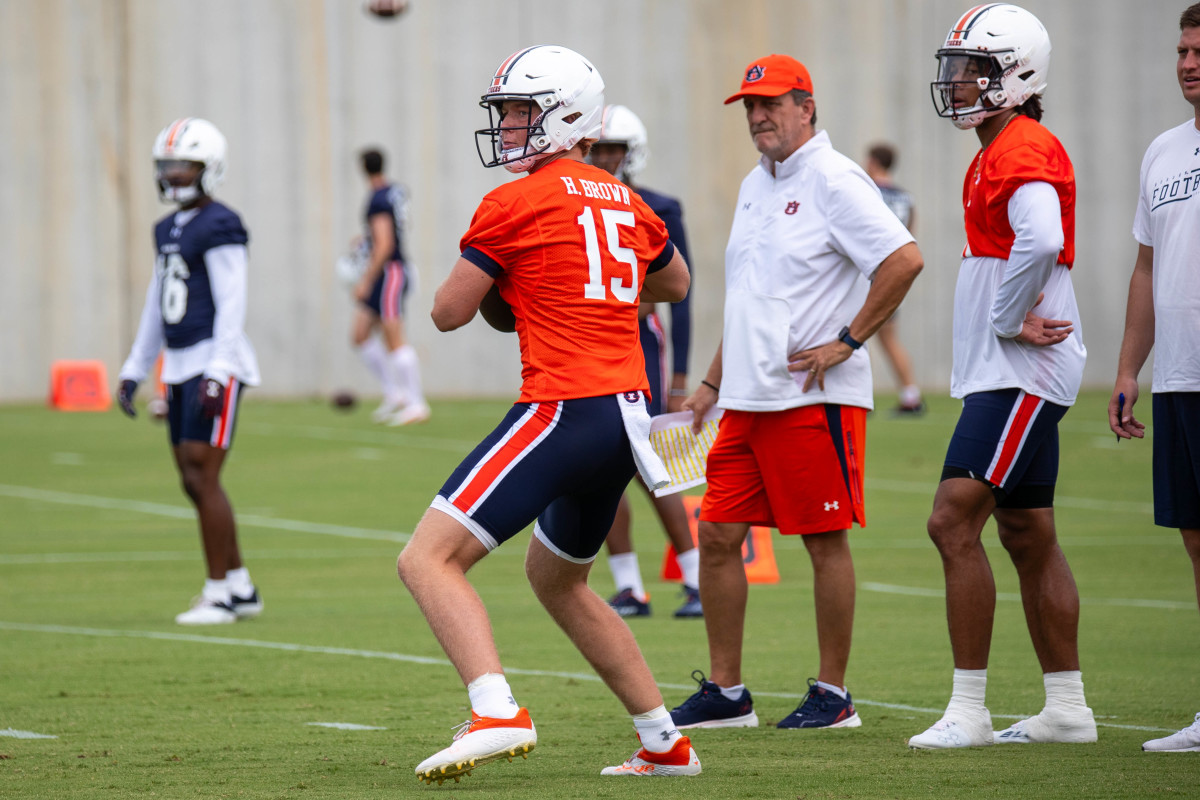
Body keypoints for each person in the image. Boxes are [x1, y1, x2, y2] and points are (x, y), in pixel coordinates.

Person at [395, 45, 701, 782]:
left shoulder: (514, 202)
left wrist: (514, 278)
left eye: (519, 112)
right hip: (628, 417)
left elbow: (446, 313)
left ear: (564, 116)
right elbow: (676, 284)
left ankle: (496, 709)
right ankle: (665, 741)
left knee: (427, 560)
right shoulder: (627, 199)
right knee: (559, 580)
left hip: (564, 407)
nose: (506, 127)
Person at [669, 55, 923, 731]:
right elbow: (753, 300)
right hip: (747, 400)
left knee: (822, 541)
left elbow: (904, 260)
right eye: (750, 107)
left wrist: (849, 339)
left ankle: (834, 696)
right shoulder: (757, 183)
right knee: (717, 534)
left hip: (815, 399)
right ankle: (726, 694)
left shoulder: (837, 179)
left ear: (807, 107)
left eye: (771, 104)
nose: (757, 117)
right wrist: (711, 384)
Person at [908, 4, 1097, 749]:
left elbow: (1043, 236)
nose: (956, 83)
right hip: (1008, 368)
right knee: (1025, 531)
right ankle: (1068, 708)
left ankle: (969, 710)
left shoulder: (1021, 145)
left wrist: (1008, 318)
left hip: (1019, 370)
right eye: (953, 69)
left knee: (952, 520)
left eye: (973, 70)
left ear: (1017, 75)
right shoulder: (998, 147)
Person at [116, 118, 262, 626]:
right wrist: (136, 365)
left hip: (211, 360)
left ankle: (219, 592)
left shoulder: (220, 223)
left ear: (209, 168)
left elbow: (232, 301)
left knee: (203, 473)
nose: (174, 175)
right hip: (180, 362)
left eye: (184, 165)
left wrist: (220, 370)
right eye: (168, 166)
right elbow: (157, 304)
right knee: (192, 478)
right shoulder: (168, 228)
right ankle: (240, 585)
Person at [1110, 2, 1200, 754]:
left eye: (1199, 49)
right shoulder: (1163, 151)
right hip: (1176, 378)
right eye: (1181, 50)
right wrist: (1128, 369)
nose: (1188, 63)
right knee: (1197, 545)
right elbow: (1145, 268)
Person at [590, 104, 702, 619]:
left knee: (651, 462)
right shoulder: (571, 204)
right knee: (600, 469)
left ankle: (696, 577)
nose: (606, 157)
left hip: (639, 341)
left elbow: (680, 293)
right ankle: (630, 586)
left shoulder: (657, 205)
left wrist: (679, 377)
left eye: (615, 148)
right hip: (588, 346)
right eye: (599, 147)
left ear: (631, 152)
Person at [350, 147, 429, 426]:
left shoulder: (378, 198)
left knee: (393, 336)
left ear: (363, 168)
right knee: (360, 333)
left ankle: (416, 403)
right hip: (390, 269)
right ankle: (395, 393)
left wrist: (365, 279)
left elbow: (385, 244)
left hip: (390, 271)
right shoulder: (396, 191)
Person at [863, 143, 925, 415]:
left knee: (853, 333)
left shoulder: (866, 190)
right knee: (889, 339)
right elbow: (910, 234)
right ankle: (911, 396)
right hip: (894, 272)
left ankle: (858, 397)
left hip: (867, 271)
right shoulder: (905, 197)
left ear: (874, 162)